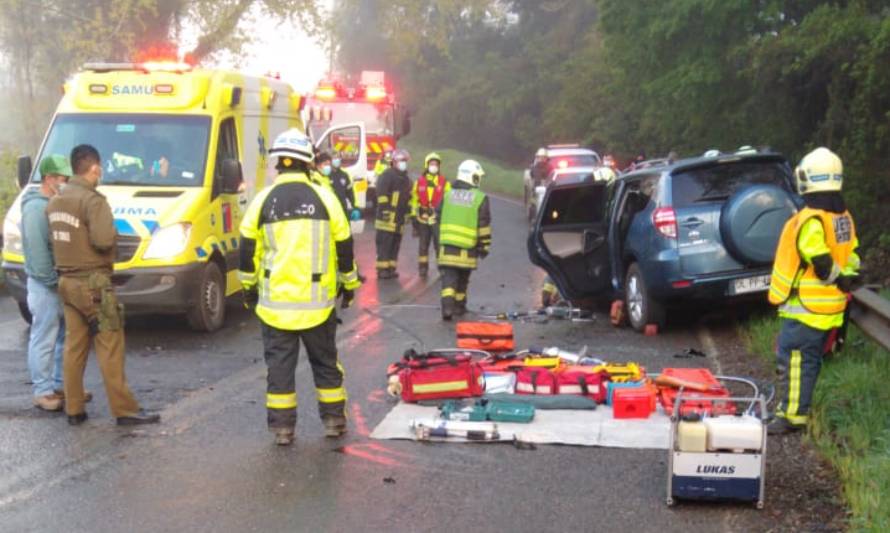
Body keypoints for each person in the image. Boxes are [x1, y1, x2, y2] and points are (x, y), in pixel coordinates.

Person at [238, 129, 361, 446]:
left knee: (280, 369)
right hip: (318, 305)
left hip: (275, 306)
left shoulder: (263, 200)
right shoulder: (325, 198)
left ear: (279, 163)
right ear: (309, 164)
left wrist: (249, 289)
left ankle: (283, 429)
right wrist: (349, 285)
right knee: (325, 365)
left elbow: (246, 249)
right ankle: (333, 421)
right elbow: (344, 244)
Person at [47, 144, 159, 426]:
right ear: (94, 168)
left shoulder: (56, 202)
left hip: (66, 281)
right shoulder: (93, 201)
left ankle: (74, 409)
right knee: (110, 344)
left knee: (75, 346)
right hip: (94, 282)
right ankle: (125, 410)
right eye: (101, 168)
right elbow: (103, 240)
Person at [767, 147, 860, 435]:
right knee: (808, 362)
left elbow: (818, 258)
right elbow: (852, 255)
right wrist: (847, 279)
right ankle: (796, 408)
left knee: (794, 361)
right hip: (829, 309)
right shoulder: (842, 216)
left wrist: (837, 277)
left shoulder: (811, 218)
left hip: (806, 309)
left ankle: (792, 416)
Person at [22, 155, 72, 411]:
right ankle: (43, 391)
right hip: (45, 285)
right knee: (44, 336)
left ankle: (60, 385)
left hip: (57, 282)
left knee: (62, 336)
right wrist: (54, 282)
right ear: (50, 178)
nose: (66, 183)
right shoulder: (35, 209)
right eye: (63, 179)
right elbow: (40, 254)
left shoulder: (53, 203)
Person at [438, 160, 491, 320]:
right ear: (470, 177)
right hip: (468, 249)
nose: (478, 180)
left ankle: (447, 308)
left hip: (447, 248)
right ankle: (459, 308)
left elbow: (438, 217)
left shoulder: (447, 195)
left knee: (448, 281)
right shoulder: (480, 198)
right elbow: (483, 225)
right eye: (477, 176)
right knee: (462, 281)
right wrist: (484, 246)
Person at [410, 152, 450, 277]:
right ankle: (423, 268)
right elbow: (414, 200)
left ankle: (441, 269)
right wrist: (413, 215)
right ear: (427, 165)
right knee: (423, 245)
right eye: (432, 164)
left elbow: (449, 200)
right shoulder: (419, 182)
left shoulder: (444, 182)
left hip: (438, 219)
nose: (434, 166)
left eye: (436, 164)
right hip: (423, 219)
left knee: (439, 245)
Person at [374, 149, 412, 279]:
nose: (404, 163)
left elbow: (407, 199)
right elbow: (381, 194)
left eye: (405, 161)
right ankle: (382, 270)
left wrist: (407, 214)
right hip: (386, 219)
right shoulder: (387, 175)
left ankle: (391, 268)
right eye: (402, 161)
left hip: (398, 219)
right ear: (394, 162)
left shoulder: (406, 179)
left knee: (395, 245)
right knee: (385, 245)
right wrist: (385, 210)